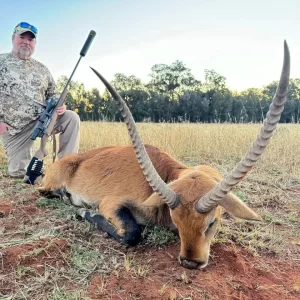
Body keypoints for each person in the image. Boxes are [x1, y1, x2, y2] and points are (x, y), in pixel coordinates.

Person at [0, 22, 80, 178]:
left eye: (30, 39)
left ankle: (66, 168)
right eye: (22, 37)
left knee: (71, 118)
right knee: (18, 173)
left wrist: (61, 104)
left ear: (34, 43)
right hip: (16, 129)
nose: (26, 42)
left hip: (43, 121)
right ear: (13, 38)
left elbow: (54, 93)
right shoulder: (1, 62)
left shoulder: (42, 69)